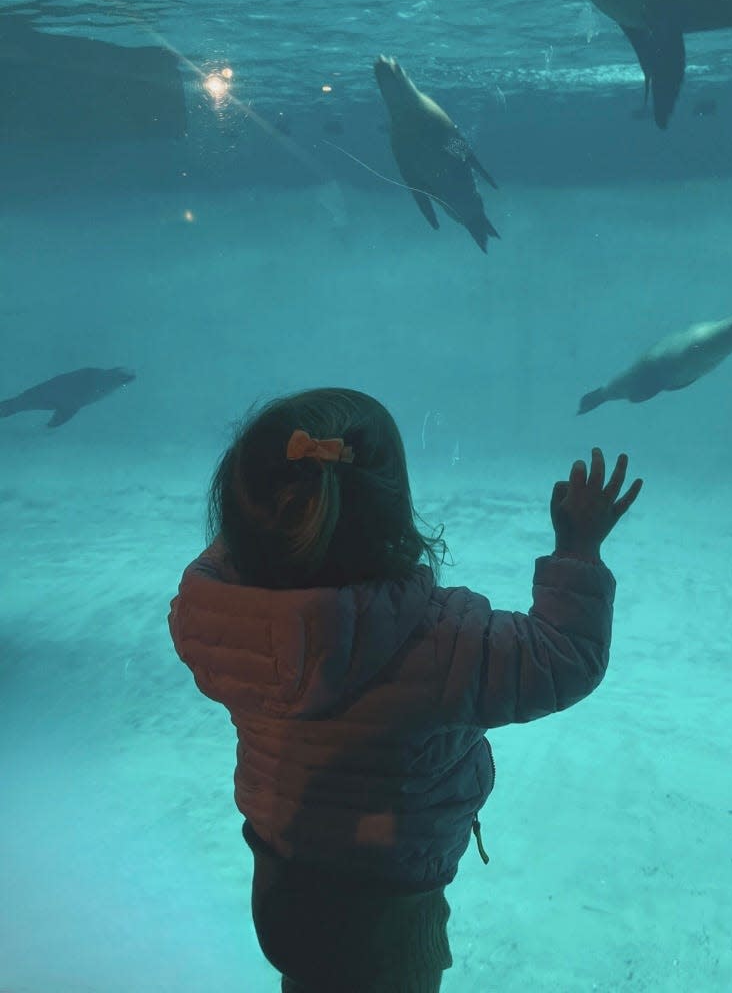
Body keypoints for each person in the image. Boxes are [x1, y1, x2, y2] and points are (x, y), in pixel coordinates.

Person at [168, 387, 642, 992]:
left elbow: (244, 545)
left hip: (280, 883)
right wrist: (578, 547)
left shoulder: (215, 623)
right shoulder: (442, 645)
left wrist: (263, 501)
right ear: (394, 512)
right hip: (389, 909)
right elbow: (566, 657)